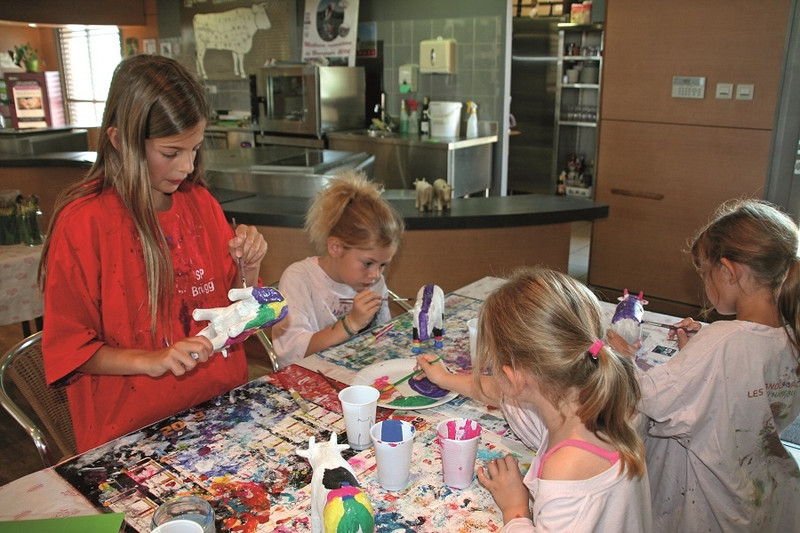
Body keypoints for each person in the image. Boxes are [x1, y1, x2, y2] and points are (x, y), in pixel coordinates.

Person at [38, 55, 268, 453]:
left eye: (195, 149)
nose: (187, 166)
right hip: (133, 436)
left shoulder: (201, 203)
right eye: (171, 152)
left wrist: (250, 266)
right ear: (119, 140)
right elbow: (69, 351)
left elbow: (239, 317)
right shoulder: (85, 224)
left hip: (219, 413)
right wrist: (150, 360)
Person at [416, 267, 651, 532]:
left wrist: (515, 510)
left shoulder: (564, 470)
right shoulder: (602, 400)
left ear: (515, 378)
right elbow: (500, 390)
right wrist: (445, 378)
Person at [633, 199, 800, 532]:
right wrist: (698, 354)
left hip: (705, 496)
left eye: (704, 273)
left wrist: (620, 356)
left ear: (728, 271)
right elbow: (746, 381)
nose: (704, 284)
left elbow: (649, 398)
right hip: (759, 484)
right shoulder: (792, 333)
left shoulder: (724, 340)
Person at [272, 170, 404, 367]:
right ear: (335, 247)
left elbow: (381, 340)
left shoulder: (373, 281)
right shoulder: (299, 279)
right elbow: (291, 355)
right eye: (368, 263)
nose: (375, 274)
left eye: (383, 265)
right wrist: (350, 324)